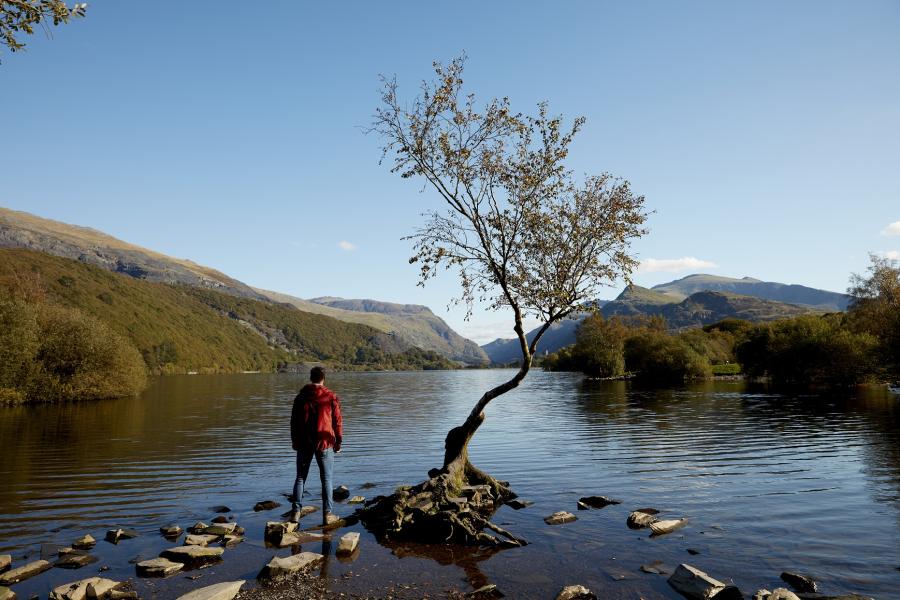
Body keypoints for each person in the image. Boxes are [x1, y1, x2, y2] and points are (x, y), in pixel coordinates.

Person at [290, 366, 342, 525]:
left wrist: (295, 441)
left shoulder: (300, 397)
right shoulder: (331, 396)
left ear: (311, 378)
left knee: (300, 478)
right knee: (326, 479)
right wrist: (338, 441)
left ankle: (296, 513)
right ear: (323, 378)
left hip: (304, 443)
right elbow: (337, 422)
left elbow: (293, 423)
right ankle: (327, 515)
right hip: (324, 442)